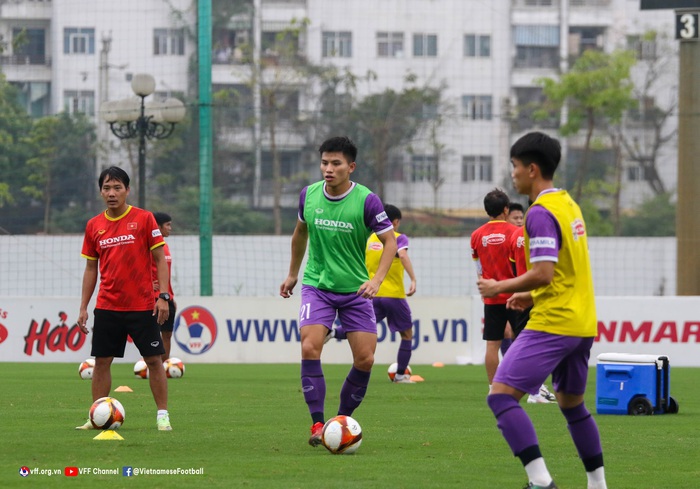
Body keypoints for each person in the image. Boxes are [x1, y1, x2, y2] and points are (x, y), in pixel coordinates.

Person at [477, 132, 606, 489]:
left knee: (501, 396)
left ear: (532, 169)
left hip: (555, 323)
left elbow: (545, 271)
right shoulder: (568, 204)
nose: (513, 174)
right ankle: (598, 485)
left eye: (515, 167)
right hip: (581, 323)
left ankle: (541, 481)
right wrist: (531, 296)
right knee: (571, 404)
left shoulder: (538, 214)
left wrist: (499, 287)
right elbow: (566, 269)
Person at [279, 136, 397, 447]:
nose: (328, 169)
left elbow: (391, 242)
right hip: (317, 286)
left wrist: (376, 281)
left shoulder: (367, 200)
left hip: (356, 290)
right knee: (309, 347)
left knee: (366, 359)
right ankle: (317, 423)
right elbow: (299, 234)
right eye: (324, 163)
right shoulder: (309, 196)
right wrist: (293, 273)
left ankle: (340, 421)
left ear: (351, 167)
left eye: (336, 164)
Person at [75, 166, 173, 432]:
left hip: (142, 306)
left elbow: (160, 259)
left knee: (154, 360)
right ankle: (97, 415)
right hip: (107, 306)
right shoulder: (94, 225)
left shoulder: (144, 219)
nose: (111, 193)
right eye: (106, 188)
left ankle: (162, 415)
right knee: (102, 362)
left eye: (117, 187)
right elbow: (90, 268)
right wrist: (83, 307)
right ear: (100, 191)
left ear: (127, 190)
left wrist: (162, 295)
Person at [470, 188, 520, 393]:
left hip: (491, 297)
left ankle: (493, 388)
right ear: (506, 209)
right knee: (523, 342)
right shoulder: (515, 233)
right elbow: (519, 265)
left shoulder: (476, 235)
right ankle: (530, 388)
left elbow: (478, 267)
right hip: (515, 296)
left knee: (492, 345)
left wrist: (484, 286)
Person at [507, 202, 555, 405]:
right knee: (538, 344)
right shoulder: (540, 235)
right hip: (534, 294)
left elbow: (511, 266)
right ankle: (535, 390)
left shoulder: (515, 236)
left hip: (519, 294)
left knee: (522, 342)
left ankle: (533, 388)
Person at [152, 212, 177, 362]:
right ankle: (152, 368)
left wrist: (170, 296)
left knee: (167, 334)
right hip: (153, 299)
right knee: (153, 336)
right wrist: (148, 284)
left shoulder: (164, 246)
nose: (170, 228)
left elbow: (165, 274)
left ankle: (164, 367)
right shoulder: (147, 246)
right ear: (158, 227)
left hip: (166, 297)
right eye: (167, 225)